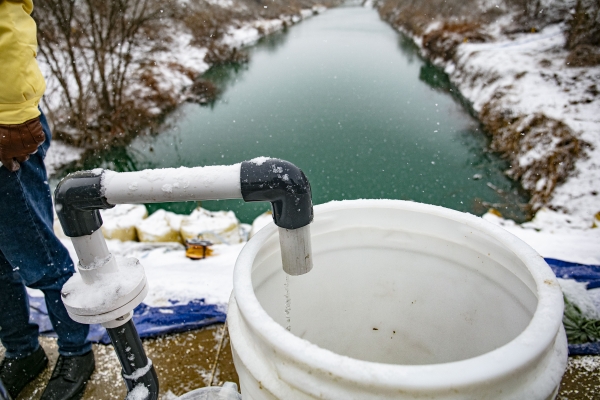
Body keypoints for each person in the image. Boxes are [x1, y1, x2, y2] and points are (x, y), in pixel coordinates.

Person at [0, 1, 95, 399]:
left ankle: (76, 349)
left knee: (38, 255)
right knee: (1, 263)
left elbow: (9, 33)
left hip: (4, 129)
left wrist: (15, 115)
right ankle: (24, 351)